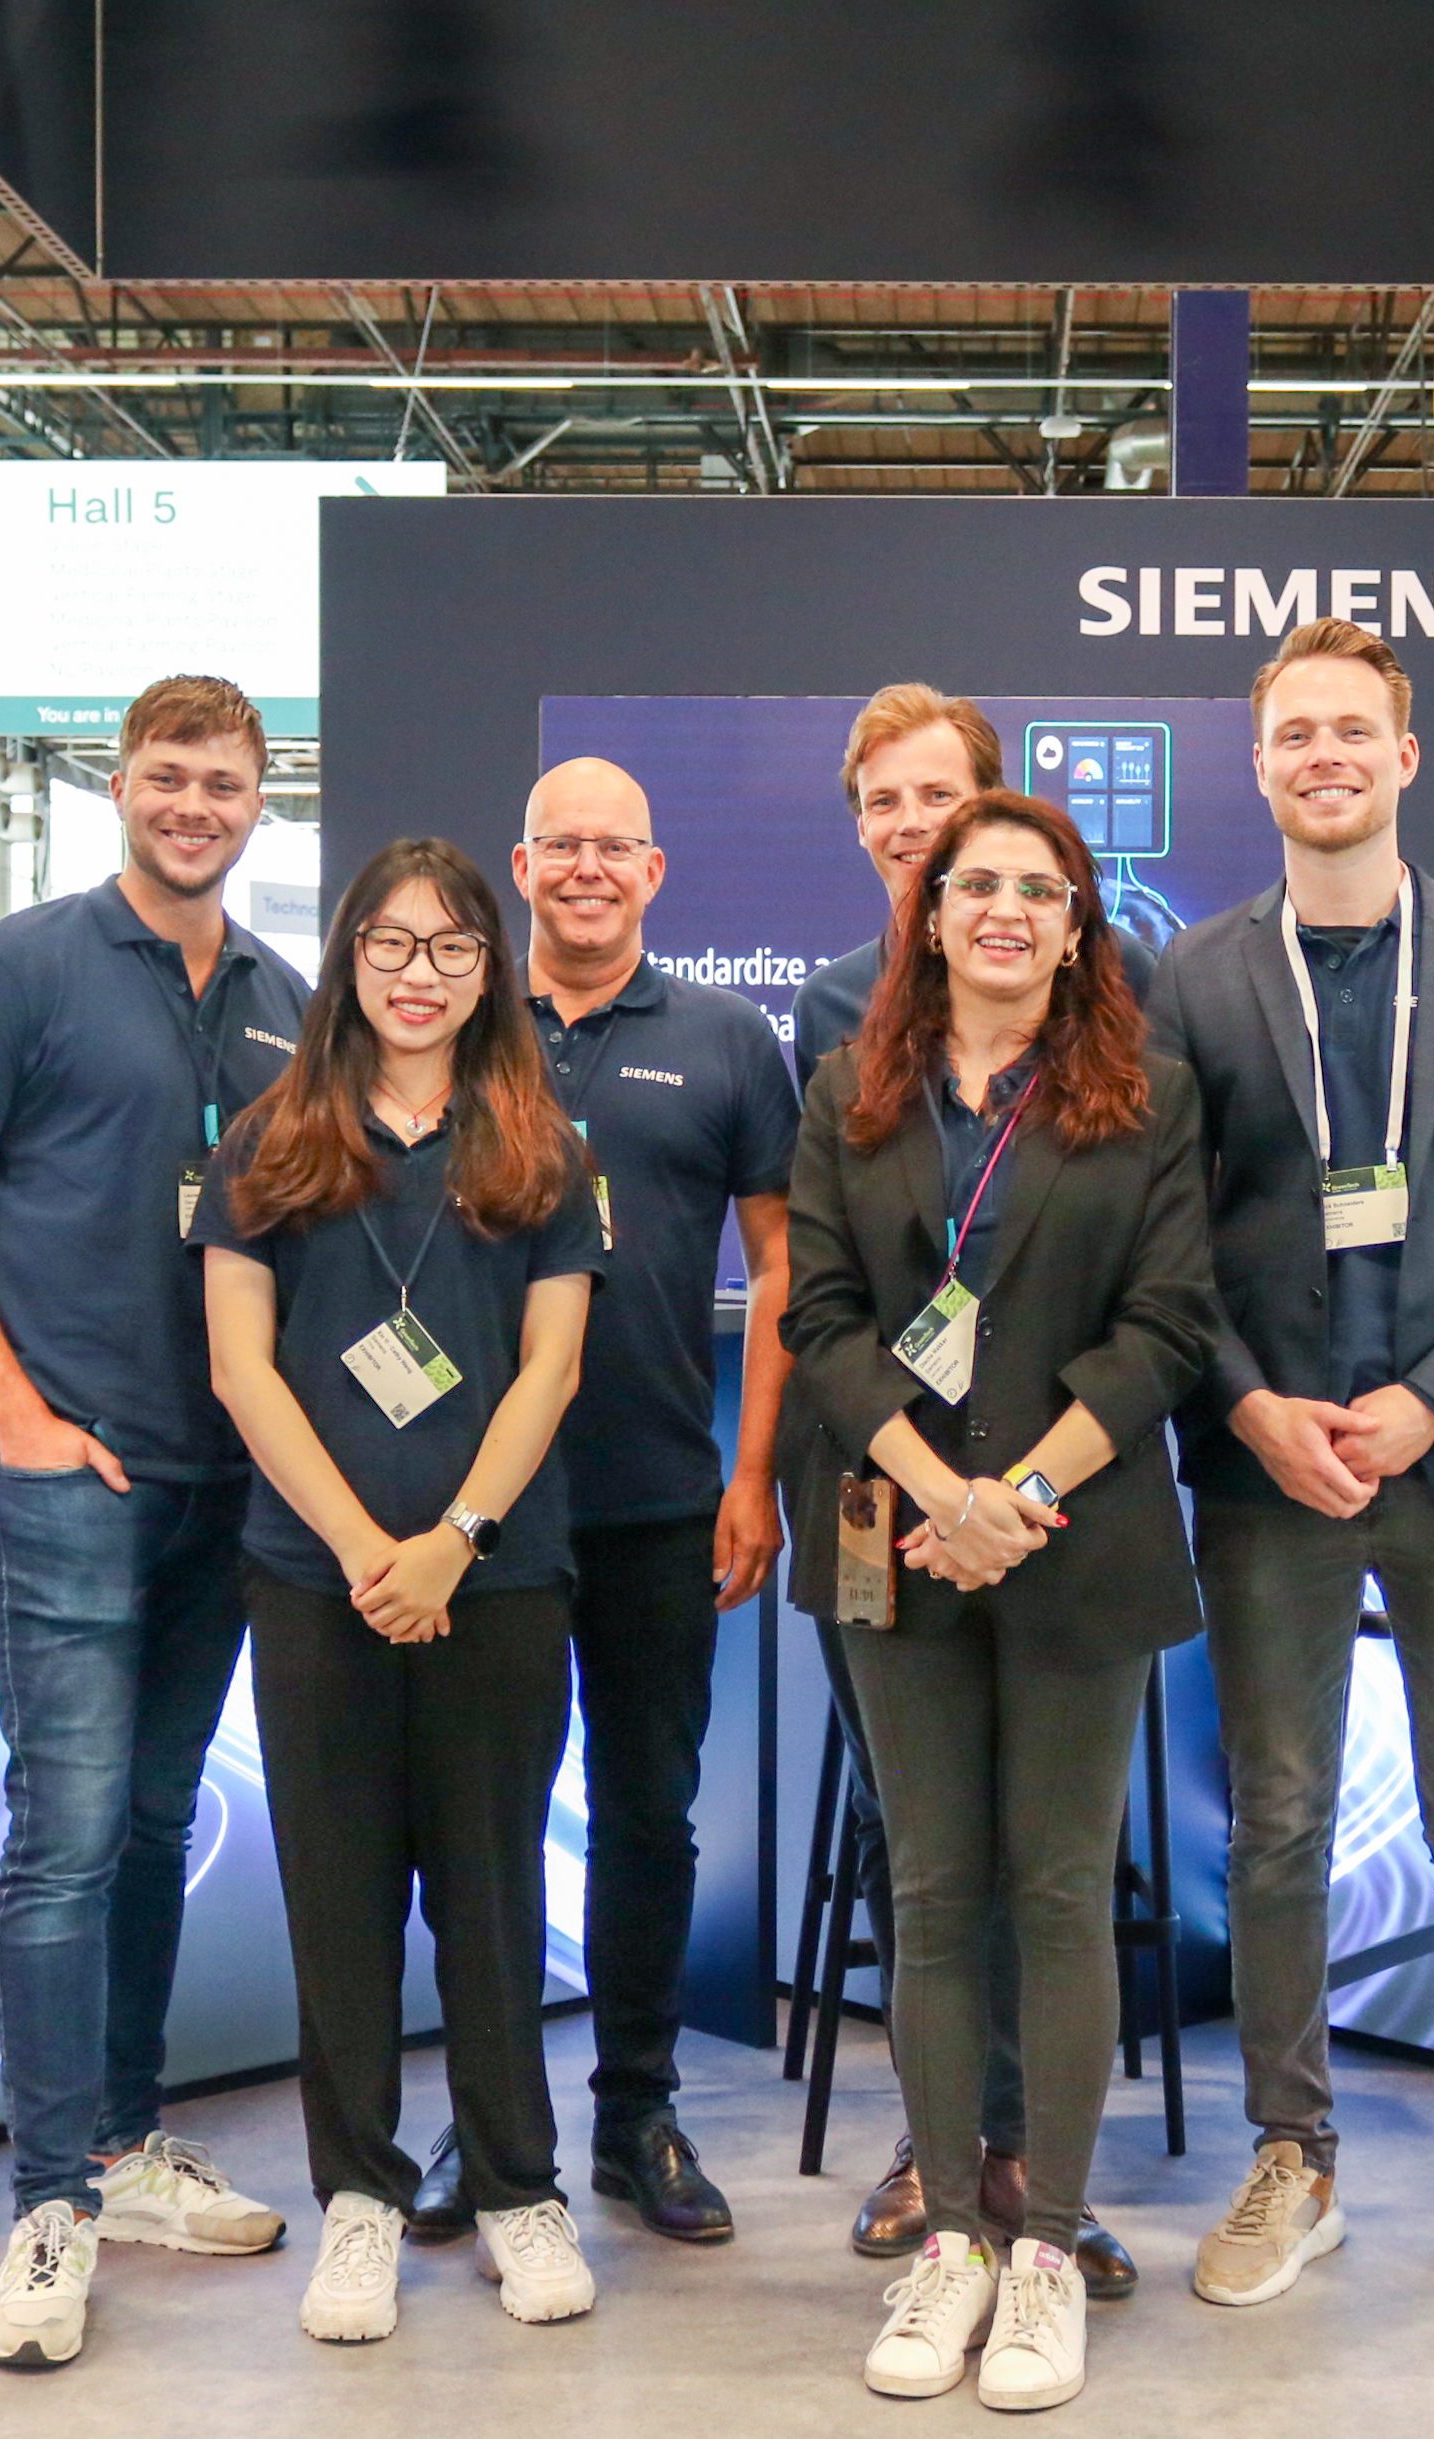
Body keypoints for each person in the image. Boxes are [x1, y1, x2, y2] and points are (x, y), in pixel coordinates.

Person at [1147, 618, 1434, 2336]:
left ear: (1402, 757)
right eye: (1295, 733)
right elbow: (1161, 1233)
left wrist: (1428, 1399)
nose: (1323, 755)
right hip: (1271, 1469)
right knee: (1273, 1822)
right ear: (1258, 763)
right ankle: (1296, 2154)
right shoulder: (1193, 977)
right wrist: (1248, 1407)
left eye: (1352, 729)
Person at [0, 675, 307, 2372]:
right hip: (69, 1474)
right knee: (60, 1834)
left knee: (148, 1819)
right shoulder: (17, 966)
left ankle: (123, 2149)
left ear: (259, 800)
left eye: (224, 781)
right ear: (119, 784)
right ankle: (48, 2199)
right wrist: (19, 1420)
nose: (195, 804)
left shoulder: (282, 1000)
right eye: (167, 774)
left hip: (224, 1479)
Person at [780, 790, 1214, 2411]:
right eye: (977, 884)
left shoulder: (1145, 1095)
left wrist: (1015, 1496)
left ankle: (1043, 2251)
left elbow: (1166, 1326)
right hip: (893, 1537)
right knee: (932, 1886)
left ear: (1078, 924)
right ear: (932, 911)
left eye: (1041, 887)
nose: (1005, 910)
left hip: (1073, 1539)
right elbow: (822, 1318)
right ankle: (953, 2236)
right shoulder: (850, 1088)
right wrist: (932, 1491)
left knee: (1055, 1890)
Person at [198, 837, 609, 2342]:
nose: (417, 973)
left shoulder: (543, 1149)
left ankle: (515, 2189)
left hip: (498, 1582)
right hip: (316, 1586)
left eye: (449, 946)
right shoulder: (270, 1141)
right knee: (341, 1896)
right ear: (348, 960)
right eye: (388, 943)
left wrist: (454, 1538)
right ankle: (360, 2200)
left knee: (494, 1894)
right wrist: (367, 1550)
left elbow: (551, 1365)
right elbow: (240, 1365)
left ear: (488, 967)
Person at [394, 756, 796, 2250]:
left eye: (612, 847)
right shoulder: (450, 1025)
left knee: (646, 1815)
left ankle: (636, 2111)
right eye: (558, 844)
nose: (584, 869)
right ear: (518, 863)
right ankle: (489, 2117)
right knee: (480, 1825)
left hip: (655, 1498)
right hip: (475, 1510)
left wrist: (751, 1473)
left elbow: (783, 1270)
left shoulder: (726, 1039)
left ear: (653, 869)